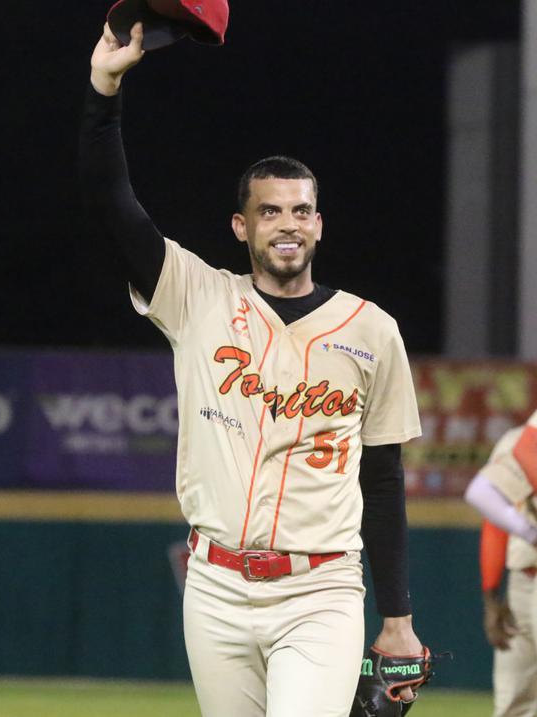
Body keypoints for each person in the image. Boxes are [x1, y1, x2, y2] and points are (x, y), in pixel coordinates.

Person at [79, 21, 425, 716]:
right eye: (269, 211)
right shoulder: (198, 297)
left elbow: (381, 479)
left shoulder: (371, 329)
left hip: (319, 589)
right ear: (243, 227)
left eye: (301, 211)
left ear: (320, 224)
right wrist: (103, 93)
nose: (287, 223)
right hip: (214, 587)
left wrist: (398, 616)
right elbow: (112, 208)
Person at [465, 418, 537, 716]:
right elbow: (489, 509)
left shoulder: (519, 439)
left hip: (524, 586)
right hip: (523, 585)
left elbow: (483, 497)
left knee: (513, 708)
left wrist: (492, 596)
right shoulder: (521, 440)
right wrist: (492, 594)